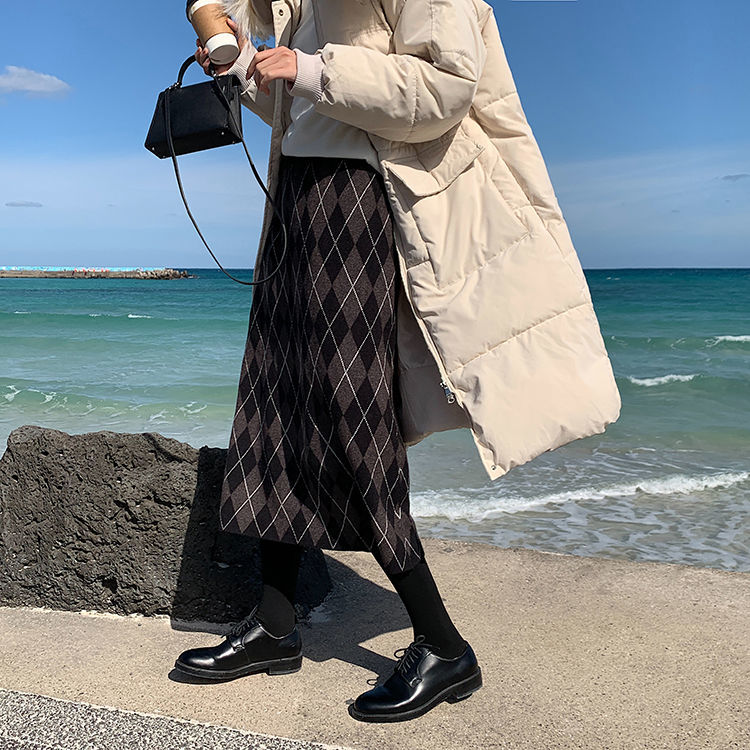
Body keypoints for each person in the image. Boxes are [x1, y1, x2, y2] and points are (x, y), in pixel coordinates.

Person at [174, 0, 484, 724]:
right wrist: (239, 62)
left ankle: (444, 645)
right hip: (295, 190)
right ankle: (274, 624)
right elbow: (289, 107)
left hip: (360, 195)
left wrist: (313, 68)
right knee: (273, 403)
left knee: (354, 415)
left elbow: (448, 86)